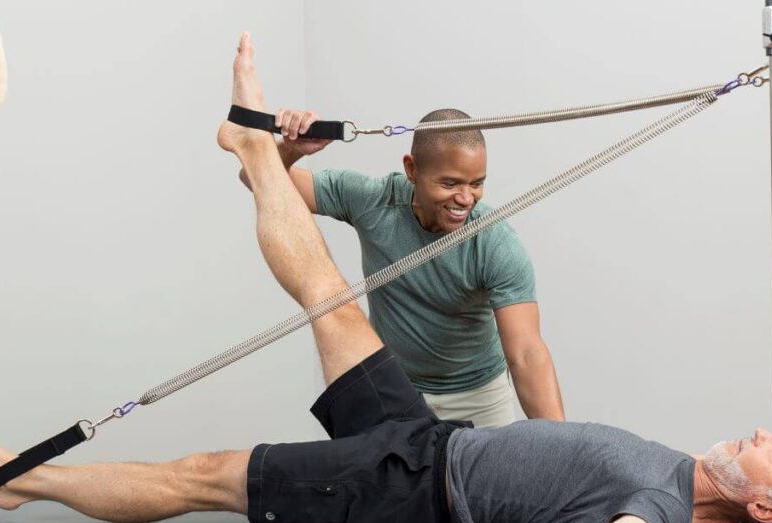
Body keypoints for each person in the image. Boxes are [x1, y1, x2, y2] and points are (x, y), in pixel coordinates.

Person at [0, 33, 772, 523]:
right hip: (426, 436)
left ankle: (23, 476)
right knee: (328, 294)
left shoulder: (663, 510)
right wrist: (272, 156)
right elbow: (308, 200)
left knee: (204, 474)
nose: (765, 429)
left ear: (767, 502)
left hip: (407, 483)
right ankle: (252, 140)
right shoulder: (676, 476)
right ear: (413, 173)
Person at [236, 76, 564, 428]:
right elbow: (255, 179)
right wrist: (292, 149)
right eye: (450, 183)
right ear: (412, 169)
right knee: (378, 483)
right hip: (397, 392)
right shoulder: (372, 200)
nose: (466, 198)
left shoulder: (495, 243)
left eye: (477, 183)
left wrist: (565, 450)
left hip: (479, 397)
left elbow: (527, 354)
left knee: (499, 483)